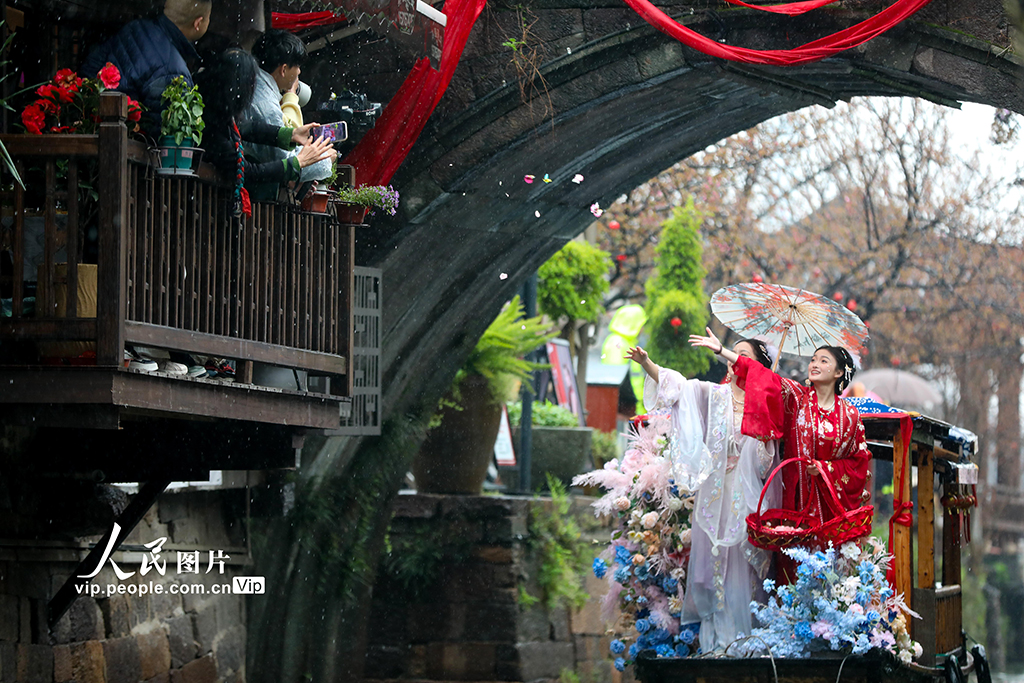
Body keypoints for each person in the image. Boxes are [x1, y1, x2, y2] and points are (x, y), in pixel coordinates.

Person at [626, 339, 780, 652]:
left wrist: (763, 438)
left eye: (743, 355)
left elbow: (766, 464)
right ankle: (717, 642)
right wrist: (647, 364)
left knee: (744, 562)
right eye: (733, 354)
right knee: (716, 561)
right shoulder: (717, 396)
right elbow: (679, 387)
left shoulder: (764, 403)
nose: (733, 360)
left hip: (747, 493)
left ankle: (747, 640)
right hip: (716, 491)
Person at [689, 328, 872, 582]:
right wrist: (722, 351)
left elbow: (858, 461)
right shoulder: (796, 398)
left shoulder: (850, 416)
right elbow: (761, 375)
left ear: (839, 372)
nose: (814, 364)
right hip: (795, 501)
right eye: (813, 359)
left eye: (823, 361)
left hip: (830, 508)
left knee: (832, 573)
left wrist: (826, 469)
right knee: (794, 570)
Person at [195, 49, 335, 217]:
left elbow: (248, 128)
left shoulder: (218, 109)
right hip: (206, 207)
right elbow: (248, 172)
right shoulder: (213, 125)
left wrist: (290, 134)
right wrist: (297, 163)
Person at [82, 0, 213, 136]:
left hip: (91, 128)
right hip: (118, 141)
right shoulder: (174, 72)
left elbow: (90, 70)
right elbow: (162, 138)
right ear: (198, 23)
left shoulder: (134, 28)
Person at [245, 29, 333, 200]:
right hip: (254, 197)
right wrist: (324, 159)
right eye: (297, 66)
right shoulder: (266, 105)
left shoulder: (254, 84)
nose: (299, 72)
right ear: (284, 69)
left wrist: (292, 135)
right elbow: (283, 162)